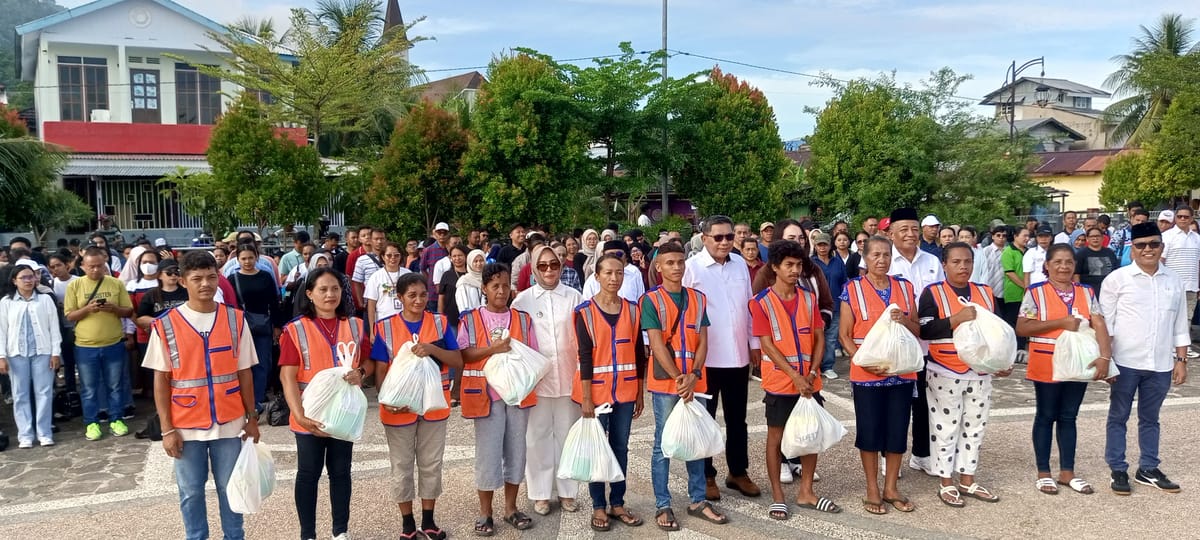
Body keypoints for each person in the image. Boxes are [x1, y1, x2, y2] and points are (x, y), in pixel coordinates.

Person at [144, 250, 260, 540]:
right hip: (185, 424)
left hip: (230, 420)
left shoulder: (235, 320)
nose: (205, 284)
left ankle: (235, 537)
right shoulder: (166, 324)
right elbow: (161, 380)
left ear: (219, 278)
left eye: (211, 277)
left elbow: (245, 372)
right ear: (183, 281)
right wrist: (167, 429)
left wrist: (252, 417)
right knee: (191, 492)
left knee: (231, 487)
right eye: (197, 278)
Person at [279, 268, 371, 540]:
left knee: (341, 472)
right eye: (322, 289)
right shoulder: (295, 329)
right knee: (308, 473)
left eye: (335, 288)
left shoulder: (355, 324)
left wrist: (362, 373)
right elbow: (287, 377)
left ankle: (340, 532)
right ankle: (308, 534)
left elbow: (368, 361)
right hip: (310, 413)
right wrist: (299, 415)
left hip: (343, 412)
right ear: (309, 294)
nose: (330, 294)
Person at [751, 240, 841, 520]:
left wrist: (812, 373)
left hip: (809, 382)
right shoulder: (760, 302)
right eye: (788, 265)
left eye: (798, 264)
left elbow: (818, 338)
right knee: (775, 438)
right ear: (775, 268)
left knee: (811, 436)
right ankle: (778, 495)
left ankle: (806, 492)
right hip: (780, 383)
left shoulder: (808, 299)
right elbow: (767, 344)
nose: (794, 270)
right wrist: (795, 376)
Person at [641, 242, 728, 530]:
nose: (676, 267)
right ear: (659, 267)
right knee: (662, 444)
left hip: (694, 381)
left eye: (680, 262)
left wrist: (694, 374)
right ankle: (662, 504)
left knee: (696, 441)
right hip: (668, 383)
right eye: (670, 263)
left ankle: (698, 499)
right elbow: (656, 343)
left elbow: (703, 341)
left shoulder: (698, 298)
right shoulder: (651, 300)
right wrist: (681, 377)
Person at [371, 272, 463, 540]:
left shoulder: (440, 322)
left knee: (430, 463)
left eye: (423, 294)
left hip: (434, 406)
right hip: (398, 409)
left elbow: (457, 360)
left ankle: (429, 521)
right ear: (399, 298)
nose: (419, 300)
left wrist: (432, 349)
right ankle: (407, 525)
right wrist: (386, 400)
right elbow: (379, 371)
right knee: (401, 466)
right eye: (411, 295)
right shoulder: (385, 327)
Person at [1100, 222, 1189, 495]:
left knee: (1151, 418)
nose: (1148, 249)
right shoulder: (1117, 279)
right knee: (1118, 416)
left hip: (1161, 363)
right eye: (1141, 245)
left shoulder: (1174, 280)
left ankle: (1148, 468)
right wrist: (1106, 360)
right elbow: (1106, 324)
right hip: (1125, 362)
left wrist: (1181, 360)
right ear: (1132, 248)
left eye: (1154, 244)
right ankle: (1118, 468)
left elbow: (1180, 323)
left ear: (1162, 246)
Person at [1016, 244, 1112, 496]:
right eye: (1057, 262)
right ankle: (1043, 472)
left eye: (1069, 262)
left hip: (1079, 364)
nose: (1064, 267)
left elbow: (1099, 323)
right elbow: (1023, 327)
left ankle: (1067, 472)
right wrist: (1060, 323)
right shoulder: (1036, 292)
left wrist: (1105, 357)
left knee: (1069, 416)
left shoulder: (1086, 291)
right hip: (1047, 363)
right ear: (1046, 265)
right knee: (1046, 415)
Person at [919, 242, 1009, 507]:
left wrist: (1000, 362)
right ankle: (946, 482)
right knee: (945, 428)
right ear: (944, 264)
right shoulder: (932, 293)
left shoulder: (986, 292)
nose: (963, 267)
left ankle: (968, 479)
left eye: (968, 261)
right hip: (945, 371)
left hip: (980, 373)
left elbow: (1000, 332)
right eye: (956, 262)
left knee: (975, 427)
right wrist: (954, 319)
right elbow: (925, 330)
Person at [682, 215, 762, 500]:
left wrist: (754, 343)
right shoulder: (691, 268)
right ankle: (706, 476)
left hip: (738, 354)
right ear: (704, 239)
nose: (726, 242)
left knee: (738, 419)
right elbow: (686, 314)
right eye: (719, 237)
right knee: (705, 420)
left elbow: (748, 305)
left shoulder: (740, 263)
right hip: (706, 358)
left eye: (730, 237)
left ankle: (738, 471)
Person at [839, 235, 919, 515]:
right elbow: (845, 335)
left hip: (901, 372)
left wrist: (905, 320)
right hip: (867, 374)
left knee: (897, 430)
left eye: (886, 254)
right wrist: (861, 361)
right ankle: (872, 487)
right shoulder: (853, 289)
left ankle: (891, 487)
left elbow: (917, 328)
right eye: (876, 255)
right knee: (870, 431)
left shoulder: (905, 287)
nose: (882, 260)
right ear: (865, 257)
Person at [457, 263, 537, 535]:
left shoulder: (523, 320)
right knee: (488, 455)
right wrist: (493, 349)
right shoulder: (470, 319)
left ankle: (511, 508)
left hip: (516, 396)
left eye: (505, 286)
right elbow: (463, 355)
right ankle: (485, 512)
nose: (501, 291)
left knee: (516, 453)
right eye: (495, 286)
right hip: (485, 396)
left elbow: (533, 355)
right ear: (484, 289)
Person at [574, 253, 647, 531]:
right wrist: (586, 397)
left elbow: (639, 354)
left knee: (620, 447)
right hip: (596, 394)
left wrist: (640, 391)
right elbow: (584, 356)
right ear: (597, 277)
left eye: (619, 273)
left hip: (626, 391)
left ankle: (617, 502)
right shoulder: (585, 312)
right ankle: (598, 505)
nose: (614, 278)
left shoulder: (632, 309)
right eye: (608, 273)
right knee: (597, 449)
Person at [512, 245, 584, 517]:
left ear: (561, 266)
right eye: (542, 266)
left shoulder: (574, 297)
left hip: (568, 377)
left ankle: (567, 492)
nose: (549, 270)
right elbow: (516, 345)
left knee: (567, 437)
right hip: (537, 382)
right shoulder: (522, 301)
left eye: (554, 265)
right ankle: (541, 494)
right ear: (533, 269)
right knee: (537, 438)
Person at [886, 208, 944, 476]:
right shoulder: (885, 261)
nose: (910, 234)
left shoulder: (932, 261)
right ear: (891, 233)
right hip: (894, 345)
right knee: (894, 405)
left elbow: (942, 300)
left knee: (924, 403)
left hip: (925, 346)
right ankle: (890, 456)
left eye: (913, 228)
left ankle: (922, 454)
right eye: (904, 229)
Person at [65, 246, 135, 440]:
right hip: (85, 346)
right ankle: (92, 423)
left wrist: (114, 309)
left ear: (105, 265)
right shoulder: (75, 286)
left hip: (113, 343)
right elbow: (70, 315)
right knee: (89, 388)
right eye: (91, 266)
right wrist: (88, 309)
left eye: (100, 266)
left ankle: (116, 419)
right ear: (83, 266)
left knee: (115, 385)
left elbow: (128, 311)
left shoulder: (116, 284)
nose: (96, 270)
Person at [0, 264, 63, 448]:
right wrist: (1, 356)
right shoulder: (6, 302)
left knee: (43, 393)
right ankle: (25, 434)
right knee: (20, 394)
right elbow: (2, 331)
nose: (28, 281)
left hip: (42, 352)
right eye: (23, 278)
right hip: (16, 354)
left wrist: (55, 353)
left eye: (31, 277)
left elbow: (54, 328)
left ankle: (44, 432)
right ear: (14, 281)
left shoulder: (44, 300)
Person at [229, 243, 280, 412]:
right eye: (243, 258)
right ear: (237, 260)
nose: (247, 261)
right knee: (243, 365)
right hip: (240, 326)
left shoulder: (265, 276)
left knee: (262, 364)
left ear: (257, 257)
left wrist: (276, 325)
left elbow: (274, 302)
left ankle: (256, 402)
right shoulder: (233, 278)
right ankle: (242, 402)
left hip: (262, 326)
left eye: (251, 258)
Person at [1161, 205, 1200, 359]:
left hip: (1191, 285)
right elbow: (1161, 261)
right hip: (1171, 284)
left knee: (1187, 317)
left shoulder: (1197, 238)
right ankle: (1169, 346)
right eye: (1180, 216)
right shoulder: (1167, 236)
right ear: (1175, 218)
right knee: (1170, 315)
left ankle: (1184, 346)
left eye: (1186, 217)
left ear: (1192, 218)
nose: (1183, 219)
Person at [811, 231, 847, 380]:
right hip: (817, 306)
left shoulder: (837, 262)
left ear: (830, 245)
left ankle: (827, 366)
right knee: (815, 337)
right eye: (819, 245)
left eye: (825, 244)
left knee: (831, 338)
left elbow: (844, 282)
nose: (822, 248)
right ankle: (814, 367)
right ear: (815, 246)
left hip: (836, 305)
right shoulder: (811, 263)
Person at [47, 252, 79, 393]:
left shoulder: (78, 281)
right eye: (52, 267)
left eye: (58, 265)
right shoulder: (51, 285)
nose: (56, 269)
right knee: (68, 361)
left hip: (79, 325)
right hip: (63, 328)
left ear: (67, 265)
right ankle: (71, 391)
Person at [364, 242, 412, 334]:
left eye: (396, 255)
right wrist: (371, 330)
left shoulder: (408, 274)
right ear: (382, 257)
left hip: (406, 322)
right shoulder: (376, 277)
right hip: (384, 323)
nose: (393, 258)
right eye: (389, 255)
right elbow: (371, 306)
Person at [581, 241, 646, 303]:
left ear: (625, 256)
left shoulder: (633, 276)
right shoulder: (592, 280)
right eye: (610, 254)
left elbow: (641, 301)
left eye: (619, 254)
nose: (615, 257)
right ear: (603, 256)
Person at [351, 228, 387, 314]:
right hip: (371, 302)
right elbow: (357, 282)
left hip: (388, 302)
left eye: (382, 239)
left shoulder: (392, 258)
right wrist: (361, 302)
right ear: (370, 240)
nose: (379, 242)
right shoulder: (362, 260)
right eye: (376, 239)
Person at [1075, 227, 1119, 295]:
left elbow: (1116, 272)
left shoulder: (1110, 253)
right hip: (1088, 291)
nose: (1095, 238)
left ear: (1102, 238)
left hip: (1109, 291)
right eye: (1092, 236)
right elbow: (1076, 274)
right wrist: (1078, 290)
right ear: (1087, 239)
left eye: (1098, 236)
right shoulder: (1081, 254)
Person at [438, 245, 470, 330]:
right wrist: (440, 316)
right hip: (451, 317)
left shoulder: (471, 275)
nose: (457, 258)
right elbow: (441, 297)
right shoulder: (447, 275)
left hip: (470, 317)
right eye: (454, 256)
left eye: (460, 255)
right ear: (450, 258)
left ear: (466, 256)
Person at [420, 223, 452, 308]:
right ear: (435, 234)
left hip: (450, 290)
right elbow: (422, 268)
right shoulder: (428, 250)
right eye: (439, 233)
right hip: (433, 293)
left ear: (448, 234)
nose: (442, 235)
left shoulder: (452, 250)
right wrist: (430, 281)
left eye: (444, 233)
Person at [455, 250, 486, 321]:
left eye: (481, 260)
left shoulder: (488, 279)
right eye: (475, 261)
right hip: (471, 320)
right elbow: (462, 306)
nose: (479, 264)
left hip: (488, 320)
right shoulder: (464, 282)